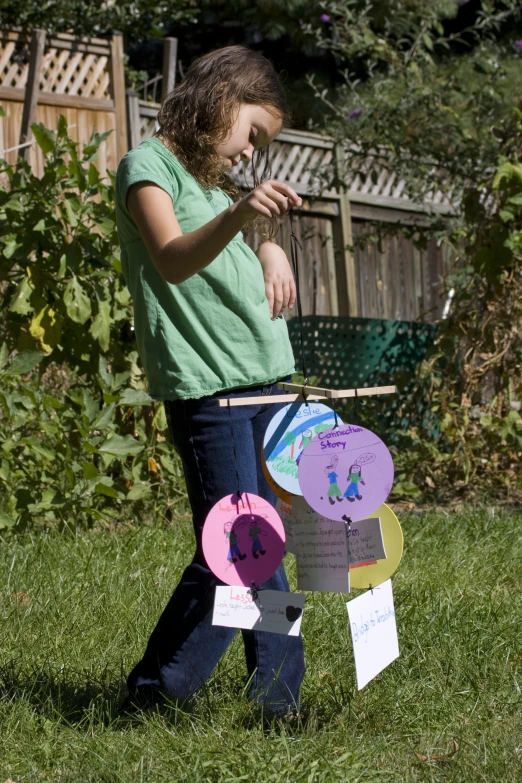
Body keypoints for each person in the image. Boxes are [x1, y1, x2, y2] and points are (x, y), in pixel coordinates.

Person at [115, 45, 305, 715]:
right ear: (221, 98)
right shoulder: (148, 167)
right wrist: (243, 217)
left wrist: (272, 244)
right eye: (253, 133)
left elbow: (237, 246)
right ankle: (156, 688)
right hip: (213, 388)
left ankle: (279, 697)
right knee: (236, 547)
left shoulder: (210, 184)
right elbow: (171, 258)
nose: (252, 152)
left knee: (266, 542)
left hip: (266, 377)